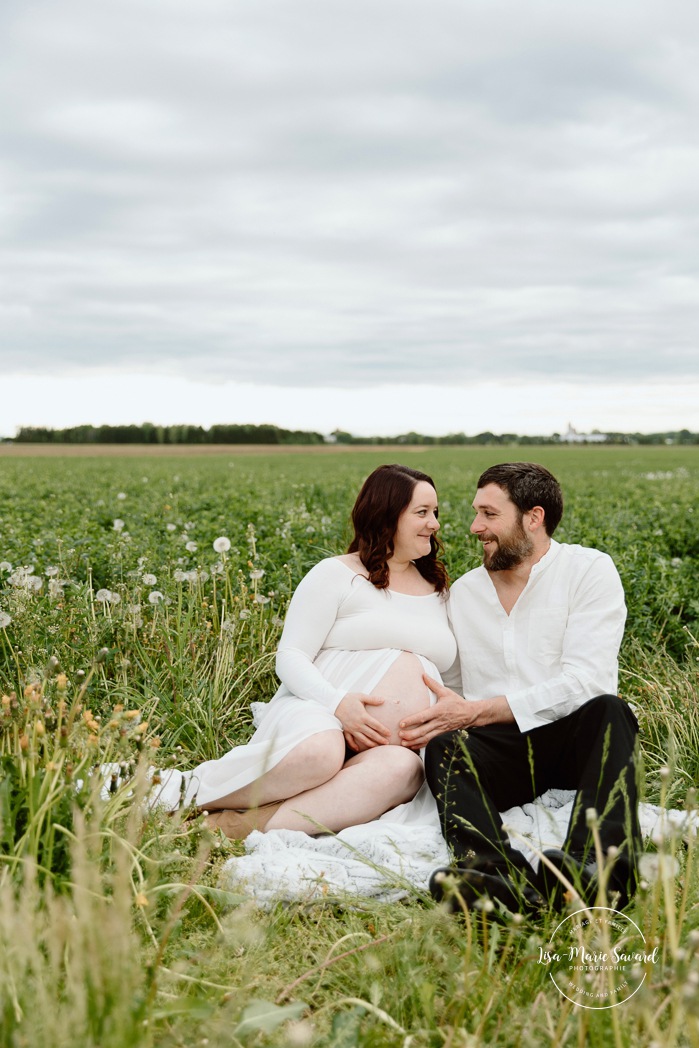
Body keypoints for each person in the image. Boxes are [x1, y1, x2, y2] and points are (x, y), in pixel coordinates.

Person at [397, 461, 641, 913]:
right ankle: (494, 878)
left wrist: (477, 711)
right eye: (476, 513)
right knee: (445, 747)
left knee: (611, 710)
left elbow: (586, 682)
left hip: (572, 743)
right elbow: (452, 687)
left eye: (489, 514)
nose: (475, 527)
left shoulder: (588, 570)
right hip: (501, 755)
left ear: (534, 517)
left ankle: (596, 870)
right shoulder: (463, 593)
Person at [189, 463, 457, 839]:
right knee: (321, 752)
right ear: (387, 515)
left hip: (388, 745)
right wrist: (339, 704)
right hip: (319, 712)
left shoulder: (439, 589)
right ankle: (181, 797)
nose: (434, 524)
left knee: (404, 771)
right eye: (422, 512)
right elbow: (290, 656)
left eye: (435, 512)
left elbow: (450, 676)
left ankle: (237, 826)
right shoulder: (337, 574)